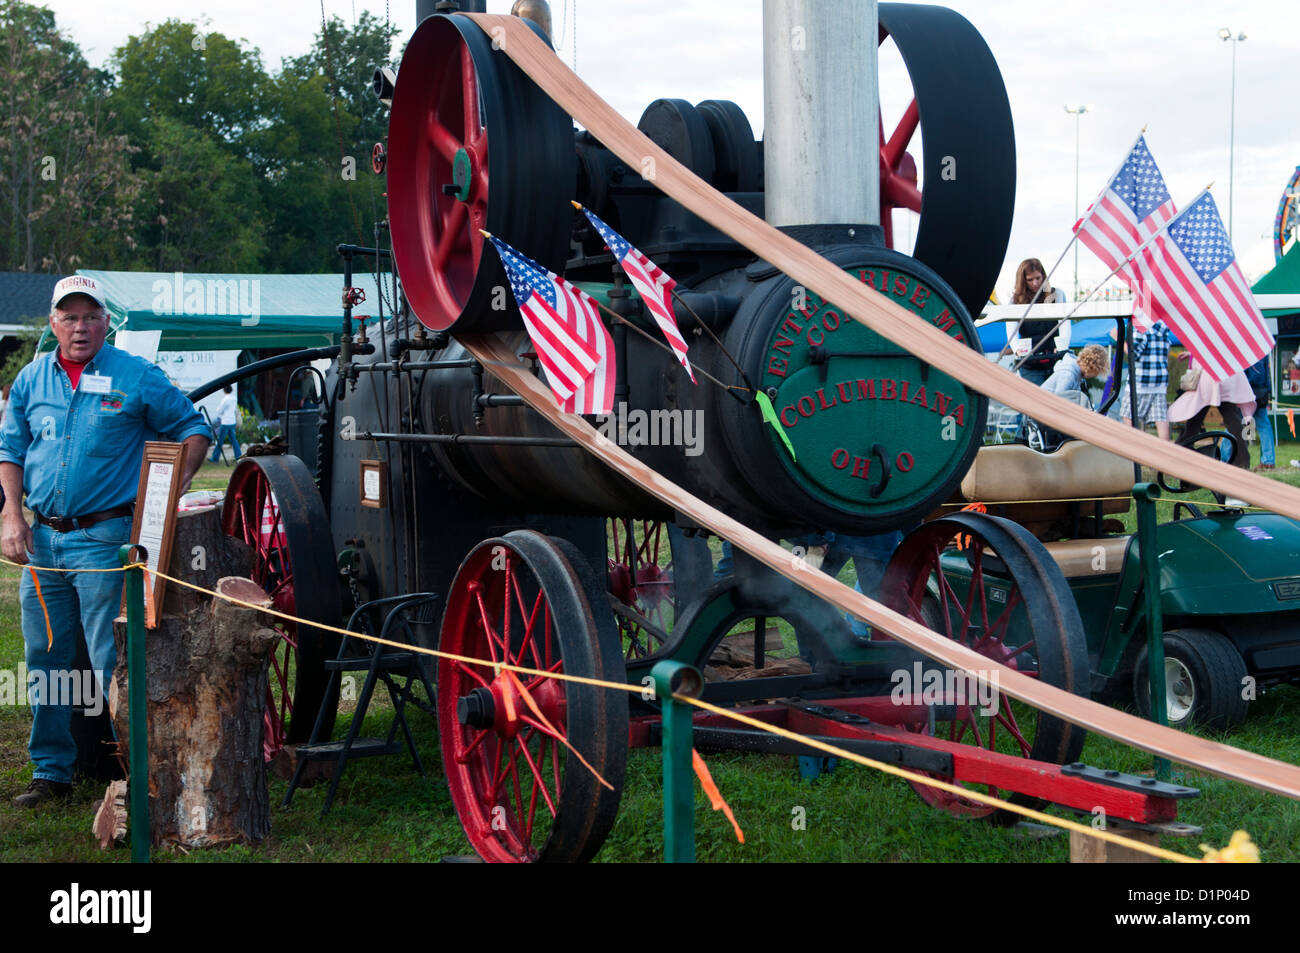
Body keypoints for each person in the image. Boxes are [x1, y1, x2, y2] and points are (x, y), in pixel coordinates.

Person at [0, 276, 210, 808]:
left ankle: (139, 776)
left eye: (90, 316)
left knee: (111, 659)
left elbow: (193, 428)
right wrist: (11, 514)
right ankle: (51, 773)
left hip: (106, 541)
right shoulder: (30, 380)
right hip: (42, 542)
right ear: (52, 324)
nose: (80, 327)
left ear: (106, 323)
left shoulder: (135, 375)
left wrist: (166, 493)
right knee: (46, 658)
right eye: (68, 317)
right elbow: (10, 451)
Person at [1003, 258, 1070, 438]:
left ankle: (1054, 442)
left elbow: (1065, 322)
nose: (1035, 283)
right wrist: (1017, 349)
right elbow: (1011, 329)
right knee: (1034, 407)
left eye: (1039, 278)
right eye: (1030, 279)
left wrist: (1061, 346)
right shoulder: (1015, 301)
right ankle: (1023, 441)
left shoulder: (1056, 294)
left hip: (1054, 360)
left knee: (1057, 406)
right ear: (1023, 280)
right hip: (1030, 363)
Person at [1168, 354, 1255, 473]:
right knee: (1232, 420)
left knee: (1195, 420)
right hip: (1228, 375)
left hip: (1210, 376)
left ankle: (1178, 454)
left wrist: (1193, 353)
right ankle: (1242, 460)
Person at [1115, 320, 1172, 440]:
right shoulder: (1163, 325)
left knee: (1128, 415)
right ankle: (1166, 452)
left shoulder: (1141, 323)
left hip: (1141, 380)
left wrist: (1118, 338)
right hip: (1160, 379)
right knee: (1161, 419)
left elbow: (1134, 353)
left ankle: (1135, 448)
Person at [1243, 354, 1275, 471]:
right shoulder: (1262, 349)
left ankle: (1232, 458)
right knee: (1262, 426)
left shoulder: (1250, 350)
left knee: (1237, 424)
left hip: (1250, 391)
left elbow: (1256, 374)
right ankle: (1268, 461)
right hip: (1261, 392)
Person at [209, 384, 242, 463]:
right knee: (234, 440)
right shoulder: (234, 398)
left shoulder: (225, 399)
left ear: (224, 390)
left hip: (225, 421)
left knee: (220, 440)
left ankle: (215, 458)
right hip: (232, 421)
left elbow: (219, 410)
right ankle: (239, 457)